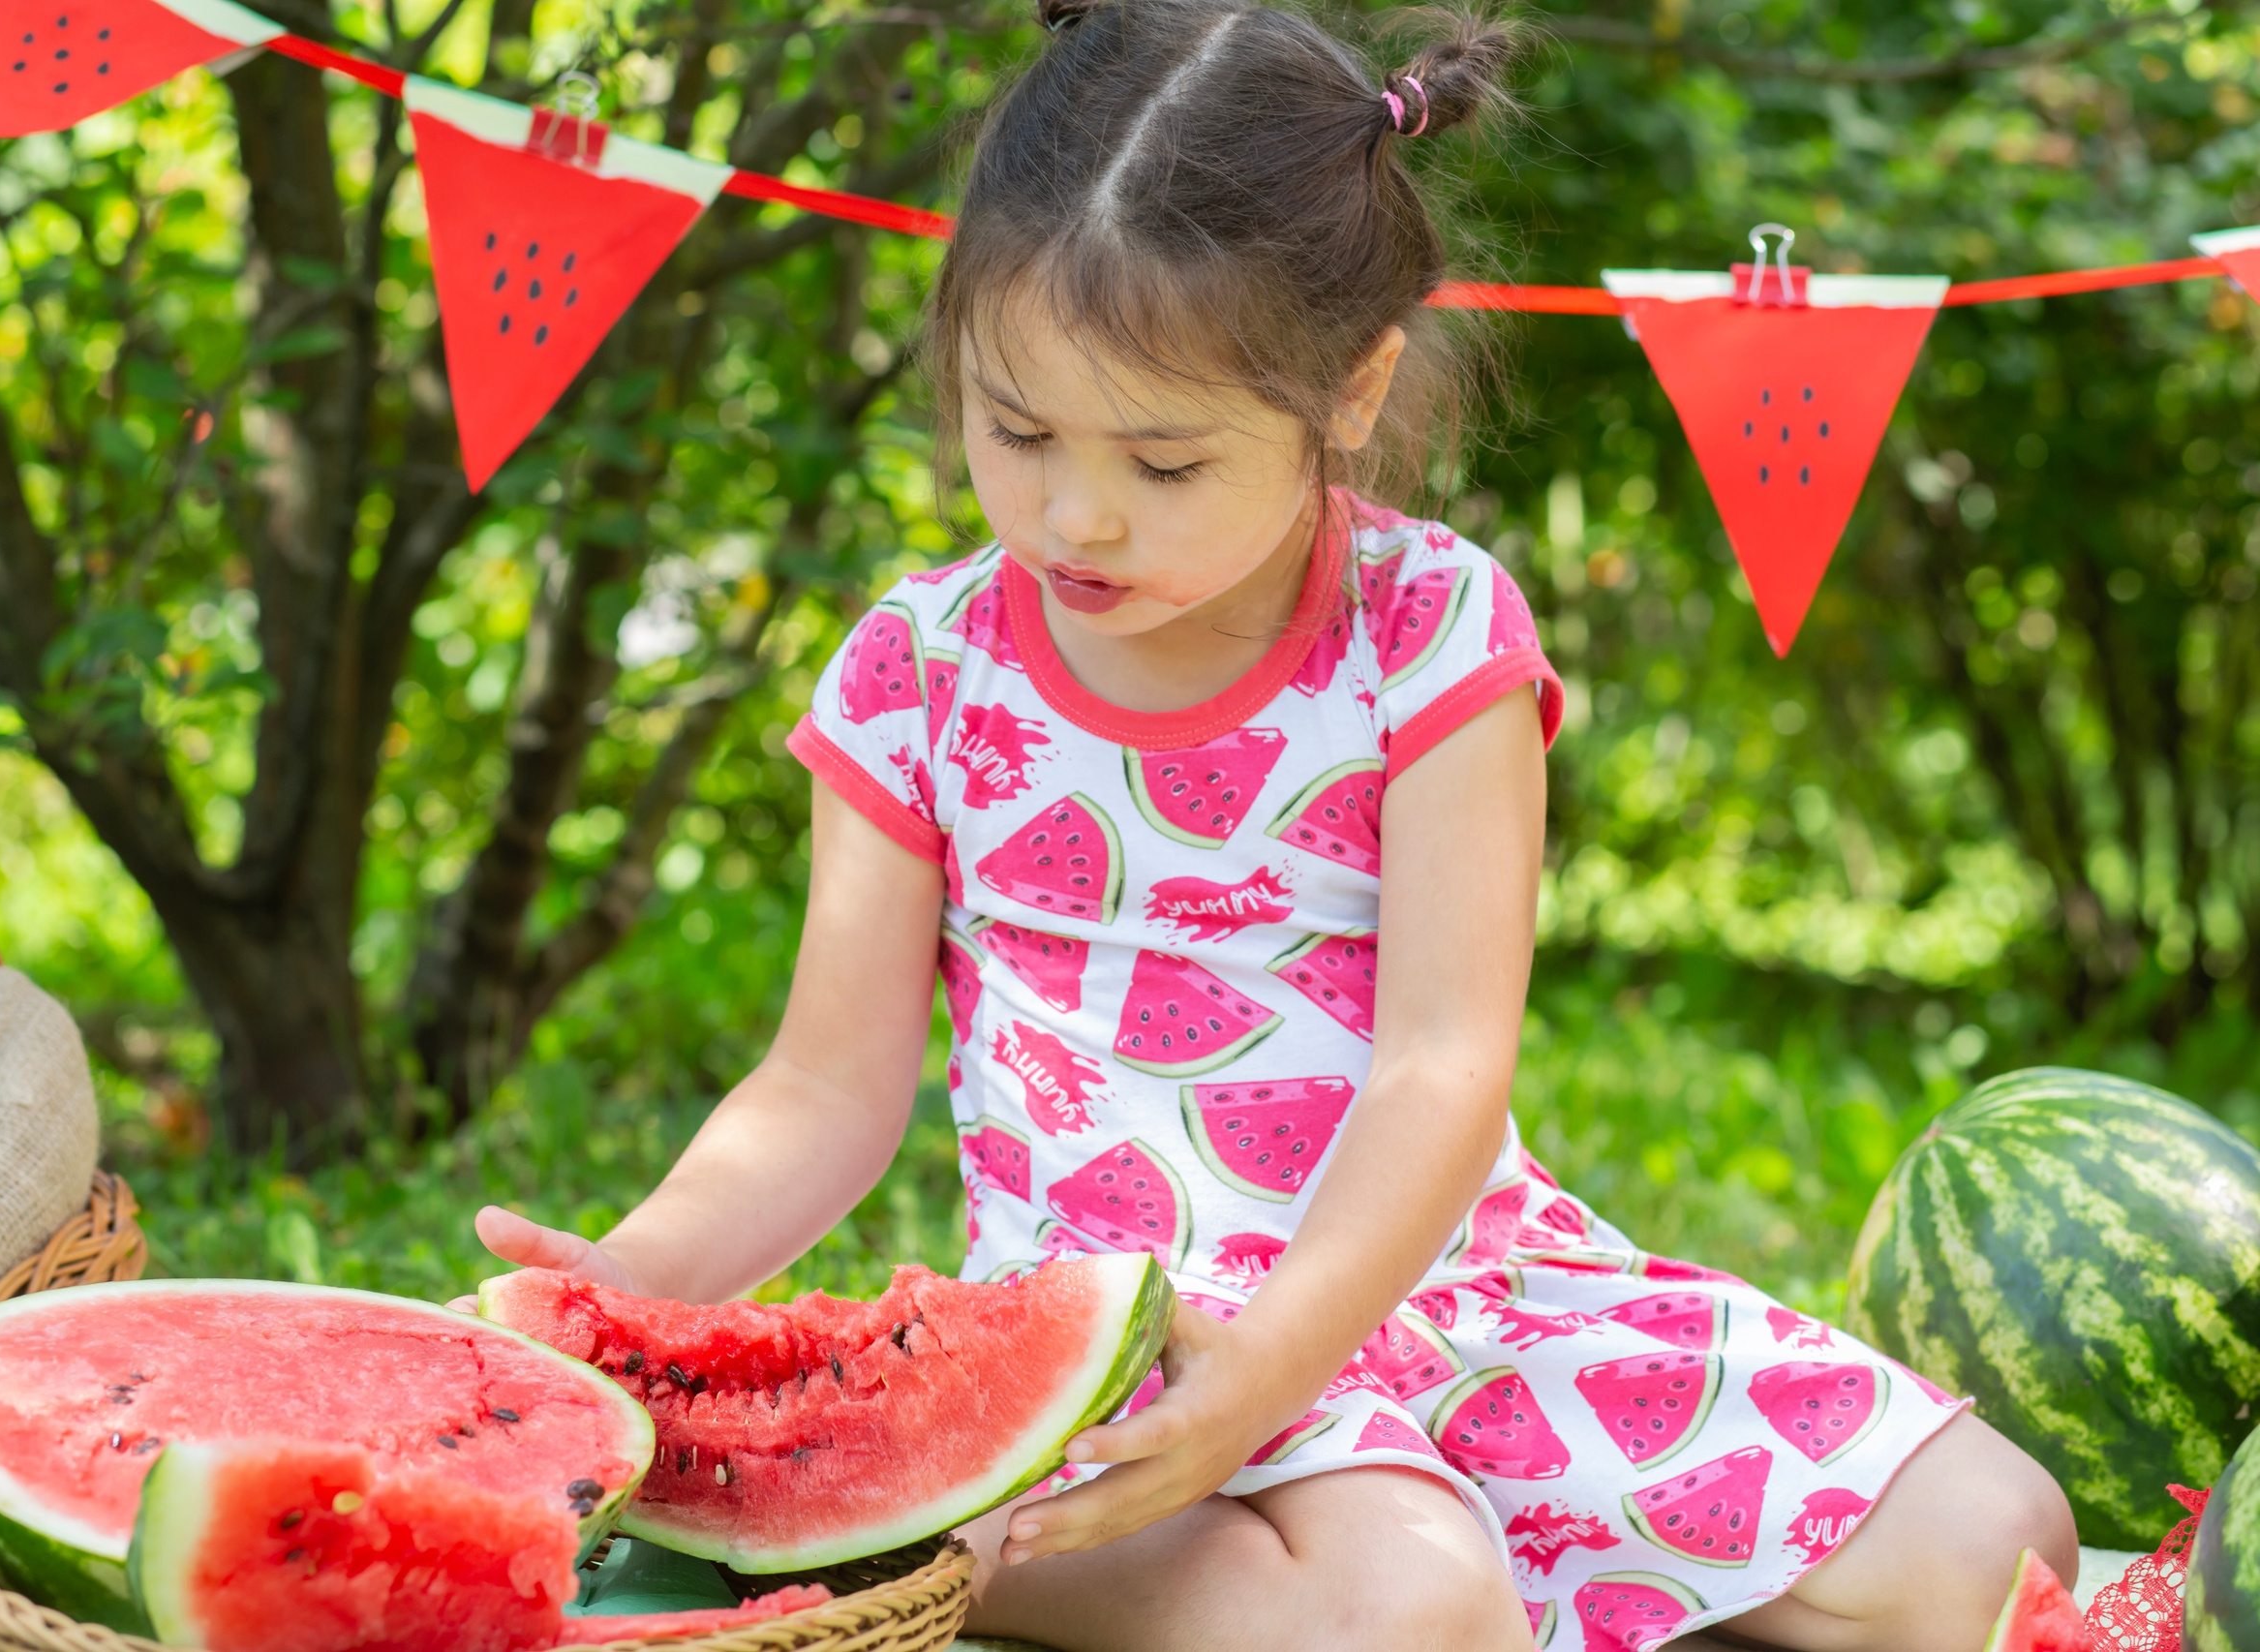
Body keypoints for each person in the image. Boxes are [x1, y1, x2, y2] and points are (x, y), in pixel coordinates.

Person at [465, 2, 2077, 1645]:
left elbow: (1442, 1064)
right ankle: (1002, 1543)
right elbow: (823, 1086)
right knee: (1406, 1610)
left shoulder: (1433, 631)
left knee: (1998, 1544)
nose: (1073, 514)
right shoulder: (919, 669)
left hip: (1452, 1286)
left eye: (1164, 461)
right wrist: (616, 1290)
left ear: (1354, 387)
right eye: (1016, 430)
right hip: (1125, 1340)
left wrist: (1288, 1367)